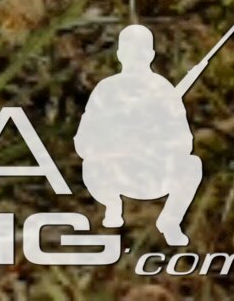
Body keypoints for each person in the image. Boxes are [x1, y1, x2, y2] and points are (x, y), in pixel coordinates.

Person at [76, 23, 205, 246]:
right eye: (129, 50)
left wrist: (155, 141)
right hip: (115, 173)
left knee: (192, 165)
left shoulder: (163, 90)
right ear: (119, 54)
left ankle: (170, 221)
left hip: (154, 172)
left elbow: (185, 141)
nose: (135, 57)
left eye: (141, 51)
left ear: (151, 54)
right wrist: (114, 144)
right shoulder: (106, 89)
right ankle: (112, 207)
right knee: (90, 164)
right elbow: (84, 139)